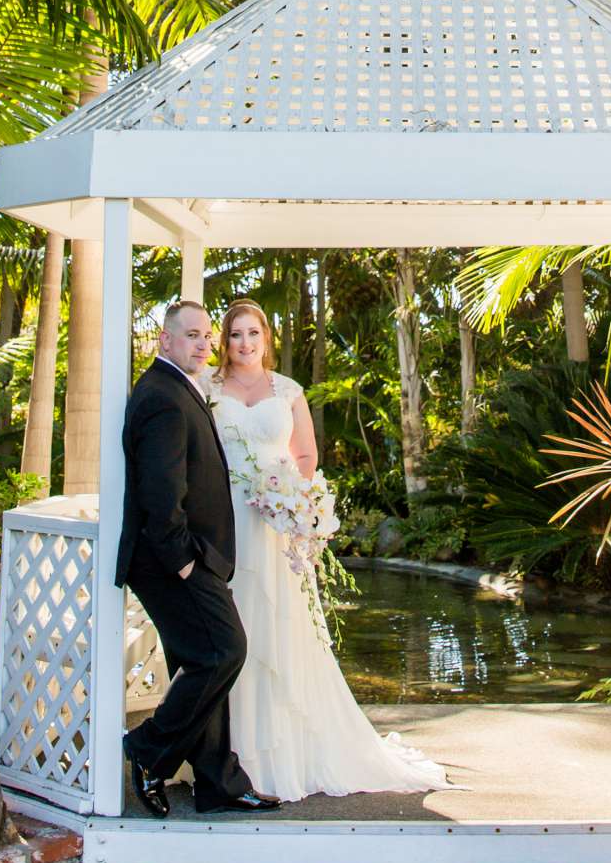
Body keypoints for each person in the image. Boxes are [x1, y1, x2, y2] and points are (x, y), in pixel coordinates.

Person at [210, 298, 444, 802]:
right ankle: (221, 755)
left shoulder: (287, 390)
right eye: (235, 334)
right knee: (229, 629)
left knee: (280, 628)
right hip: (224, 521)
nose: (245, 343)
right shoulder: (208, 389)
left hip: (275, 528)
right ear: (224, 341)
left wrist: (293, 501)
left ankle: (284, 753)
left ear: (266, 338)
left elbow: (307, 455)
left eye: (253, 333)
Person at [113, 298, 280, 819]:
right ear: (164, 340)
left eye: (208, 335)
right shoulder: (162, 396)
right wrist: (185, 562)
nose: (204, 343)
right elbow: (162, 494)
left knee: (201, 660)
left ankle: (218, 785)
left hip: (187, 555)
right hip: (171, 559)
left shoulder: (178, 388)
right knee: (224, 650)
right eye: (191, 335)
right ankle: (146, 749)